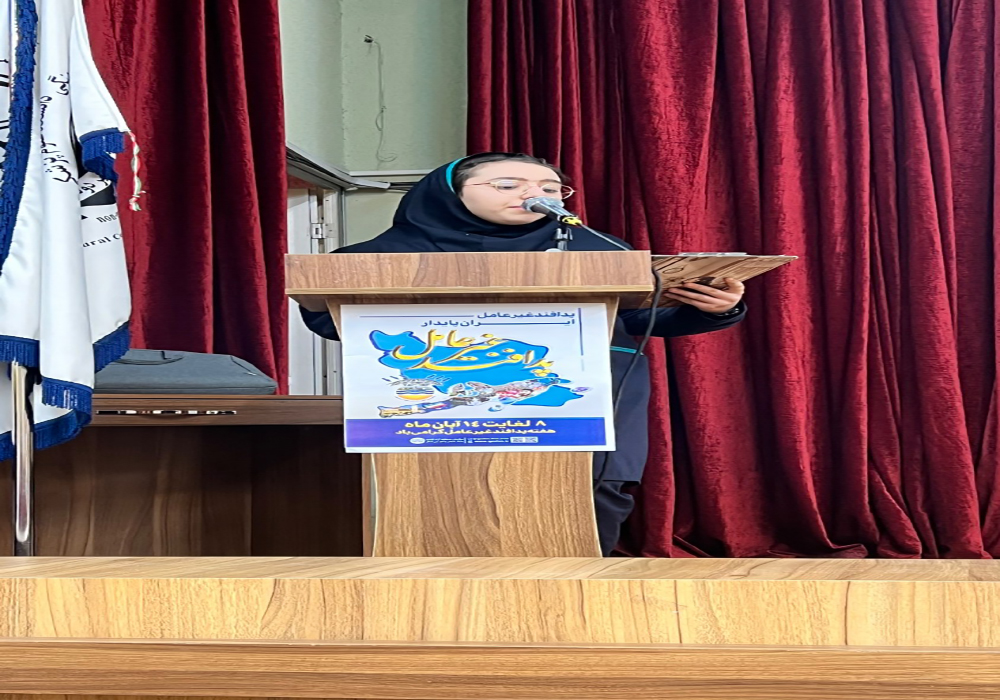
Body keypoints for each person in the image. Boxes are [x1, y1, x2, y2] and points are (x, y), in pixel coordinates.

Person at [301, 152, 747, 555]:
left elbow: (639, 318)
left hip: (582, 400)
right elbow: (330, 321)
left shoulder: (598, 249)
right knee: (445, 503)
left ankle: (578, 594)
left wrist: (715, 307)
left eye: (551, 188)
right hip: (443, 413)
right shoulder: (378, 257)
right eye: (508, 184)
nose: (535, 194)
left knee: (595, 495)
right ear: (450, 192)